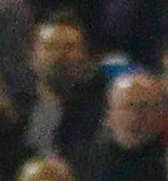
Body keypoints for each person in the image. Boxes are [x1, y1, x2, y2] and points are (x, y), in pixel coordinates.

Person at [26, 16, 108, 160]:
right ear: (33, 56)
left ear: (86, 57)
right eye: (50, 46)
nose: (60, 55)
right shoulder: (17, 107)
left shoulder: (102, 110)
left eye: (69, 47)